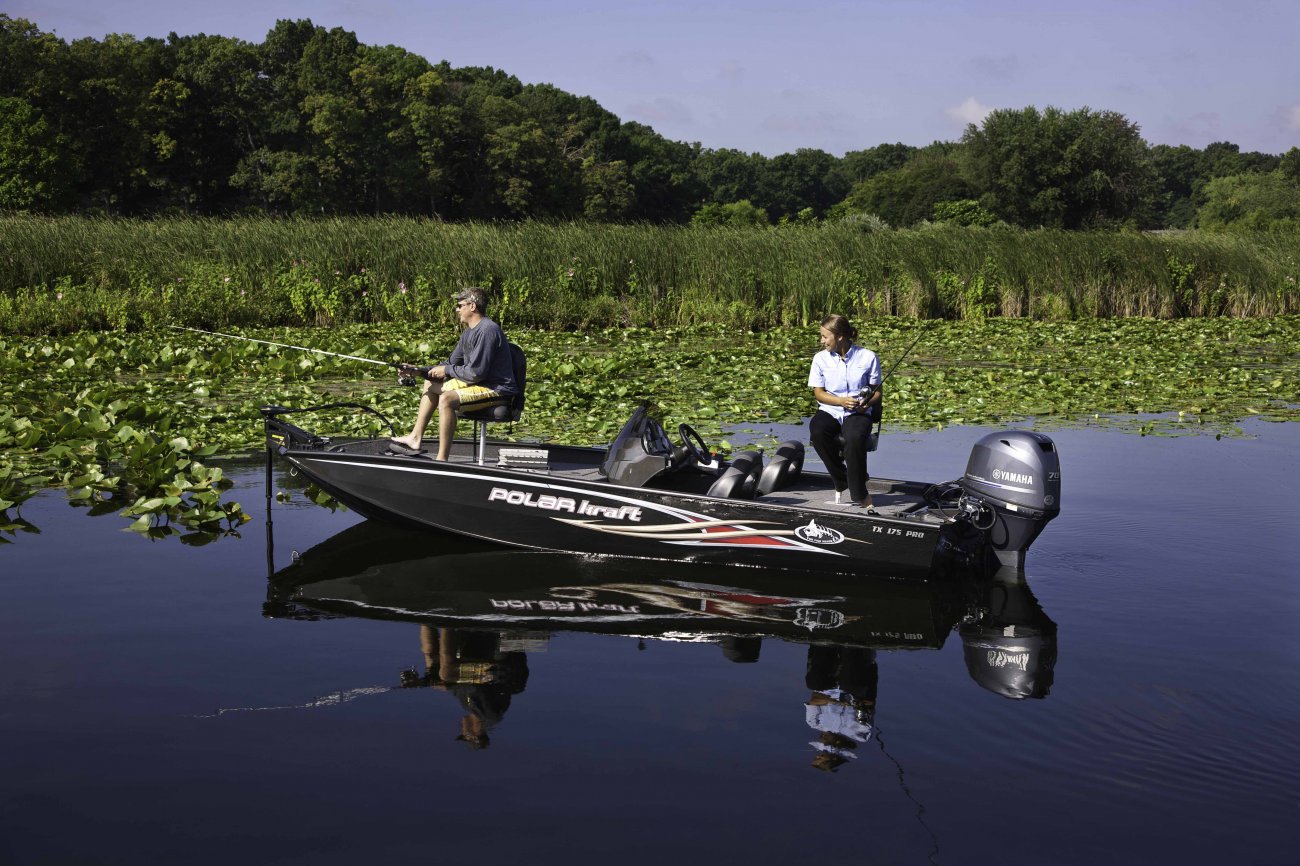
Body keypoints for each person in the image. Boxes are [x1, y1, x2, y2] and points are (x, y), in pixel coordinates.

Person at [391, 287, 518, 461]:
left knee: (447, 399)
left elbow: (475, 373)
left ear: (472, 306)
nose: (457, 309)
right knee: (430, 384)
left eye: (460, 305)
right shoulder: (468, 333)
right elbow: (449, 364)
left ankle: (442, 459)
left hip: (497, 389)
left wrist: (447, 370)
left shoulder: (488, 330)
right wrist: (417, 371)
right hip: (479, 384)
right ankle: (415, 438)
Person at [807, 314, 882, 509]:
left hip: (858, 412)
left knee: (854, 438)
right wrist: (840, 401)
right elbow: (819, 393)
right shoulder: (820, 359)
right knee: (817, 430)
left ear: (839, 336)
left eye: (825, 336)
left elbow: (877, 393)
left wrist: (866, 403)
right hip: (832, 408)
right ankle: (843, 479)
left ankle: (860, 494)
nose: (822, 341)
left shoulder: (868, 357)